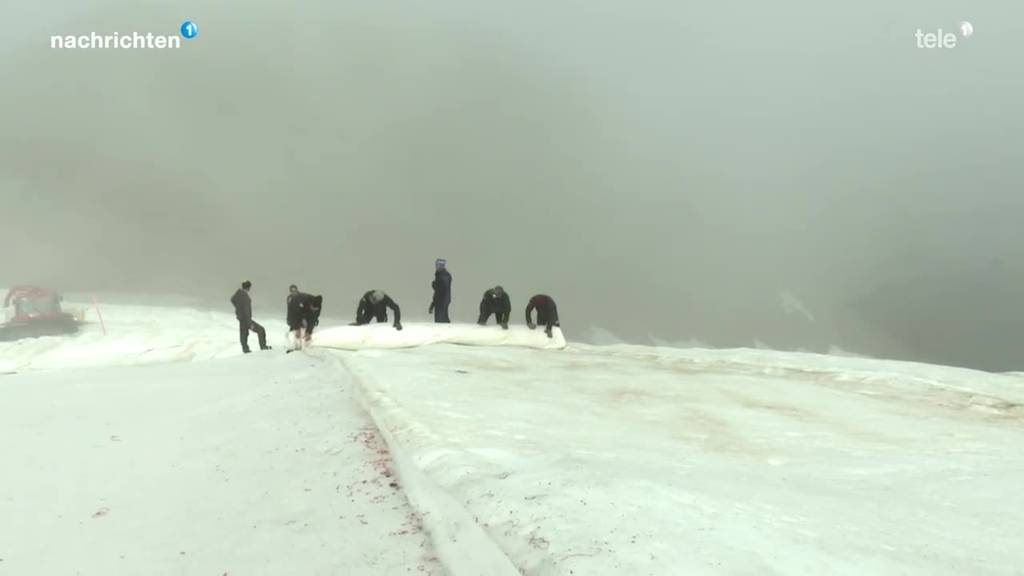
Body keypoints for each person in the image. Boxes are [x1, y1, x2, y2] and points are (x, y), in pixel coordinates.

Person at [230, 280, 270, 353]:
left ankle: (245, 349)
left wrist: (238, 308)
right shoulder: (245, 297)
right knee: (261, 330)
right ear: (248, 288)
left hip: (241, 318)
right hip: (246, 319)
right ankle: (263, 347)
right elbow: (247, 311)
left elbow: (232, 299)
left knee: (243, 333)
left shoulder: (238, 293)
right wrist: (250, 323)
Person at [286, 284, 313, 352]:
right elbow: (289, 309)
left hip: (301, 317)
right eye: (292, 291)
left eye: (294, 290)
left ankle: (303, 347)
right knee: (293, 333)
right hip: (293, 318)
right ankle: (296, 346)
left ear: (297, 290)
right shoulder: (289, 298)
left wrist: (304, 318)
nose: (293, 292)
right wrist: (288, 319)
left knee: (301, 332)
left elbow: (306, 309)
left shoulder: (302, 297)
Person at [429, 258, 452, 323]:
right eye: (437, 265)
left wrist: (435, 285)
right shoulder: (441, 275)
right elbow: (439, 291)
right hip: (442, 300)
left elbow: (441, 290)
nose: (437, 266)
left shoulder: (443, 275)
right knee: (441, 319)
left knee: (441, 320)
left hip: (442, 300)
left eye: (439, 265)